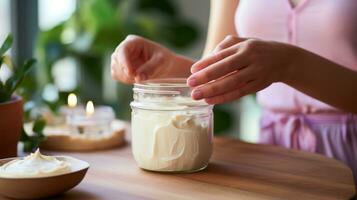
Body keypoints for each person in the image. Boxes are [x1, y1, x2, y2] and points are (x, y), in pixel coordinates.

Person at [111, 0, 357, 182]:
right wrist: (167, 65)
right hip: (274, 154)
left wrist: (289, 64)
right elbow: (215, 68)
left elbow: (280, 63)